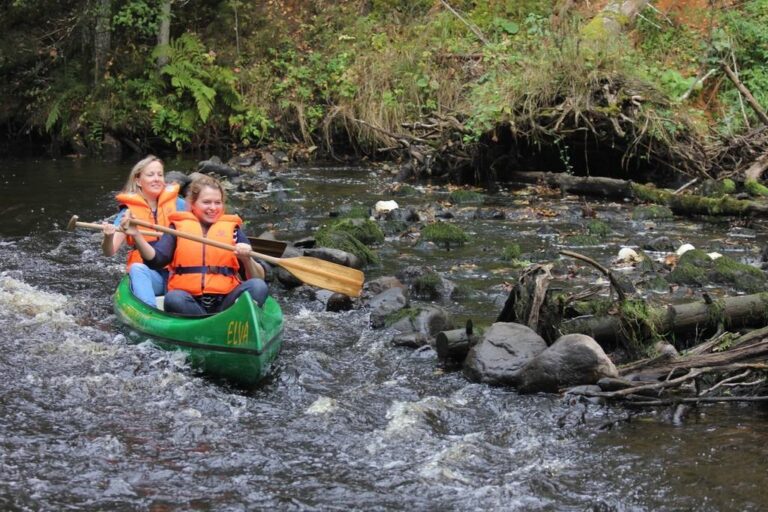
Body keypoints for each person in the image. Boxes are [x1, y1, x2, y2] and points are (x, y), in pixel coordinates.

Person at [121, 175, 268, 316]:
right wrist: (136, 235)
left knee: (258, 286)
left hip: (224, 302)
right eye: (206, 202)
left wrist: (247, 260)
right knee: (174, 298)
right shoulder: (177, 228)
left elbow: (257, 278)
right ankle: (206, 324)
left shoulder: (233, 230)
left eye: (218, 202)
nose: (213, 207)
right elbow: (156, 260)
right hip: (189, 303)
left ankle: (228, 319)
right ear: (192, 204)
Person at [102, 155, 185, 307]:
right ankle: (149, 312)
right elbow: (110, 251)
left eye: (160, 174)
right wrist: (107, 237)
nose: (156, 179)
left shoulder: (180, 205)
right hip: (151, 276)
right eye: (150, 174)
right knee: (137, 269)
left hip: (178, 273)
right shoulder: (128, 212)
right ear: (138, 181)